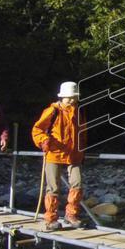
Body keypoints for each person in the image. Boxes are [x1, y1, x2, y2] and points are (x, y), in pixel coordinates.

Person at [32, 81, 86, 231]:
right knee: (53, 187)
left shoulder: (79, 112)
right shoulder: (52, 111)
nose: (72, 100)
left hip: (73, 154)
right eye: (69, 97)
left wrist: (82, 151)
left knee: (77, 183)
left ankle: (71, 215)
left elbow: (82, 133)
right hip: (54, 154)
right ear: (62, 97)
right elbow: (37, 129)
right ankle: (50, 218)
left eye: (74, 97)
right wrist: (43, 141)